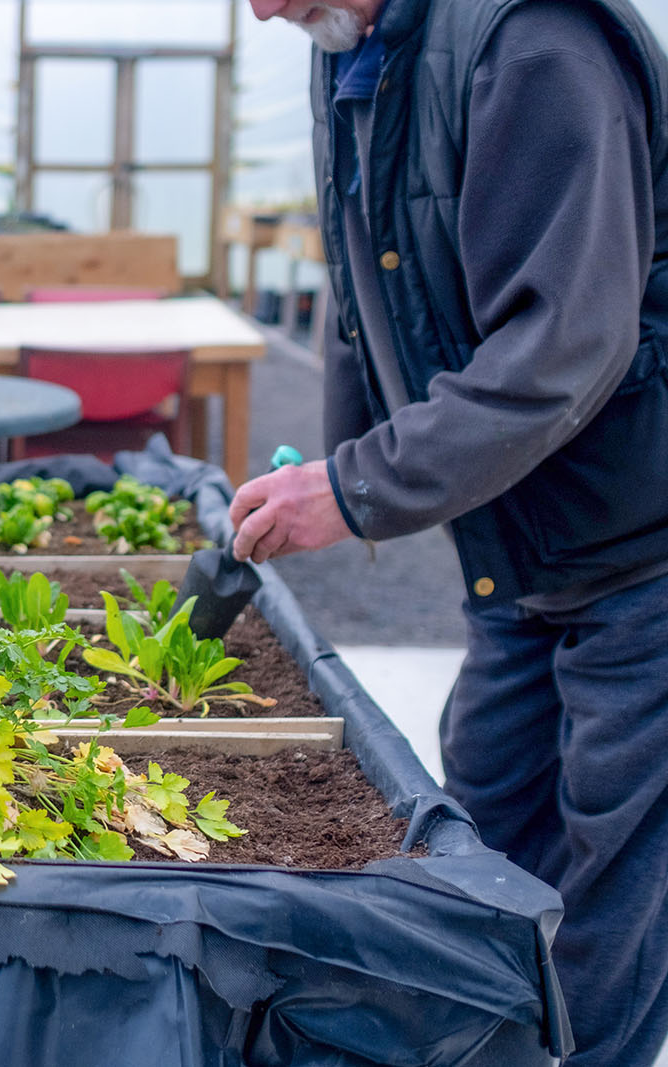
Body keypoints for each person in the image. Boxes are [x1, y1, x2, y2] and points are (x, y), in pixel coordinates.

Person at [234, 1, 668, 1064]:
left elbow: (568, 338)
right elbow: (366, 293)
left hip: (642, 532)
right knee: (488, 807)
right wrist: (333, 471)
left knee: (615, 870)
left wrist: (359, 489)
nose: (258, 8)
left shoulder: (533, 45)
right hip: (522, 543)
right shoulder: (359, 49)